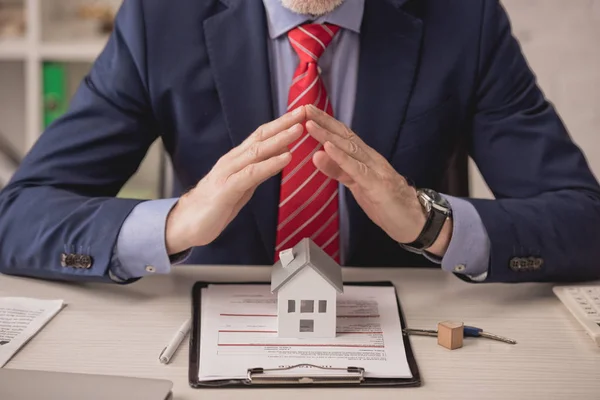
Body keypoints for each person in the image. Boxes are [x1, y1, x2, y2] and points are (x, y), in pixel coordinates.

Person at [0, 0, 599, 285]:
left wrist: (430, 222)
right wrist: (173, 224)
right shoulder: (160, 19)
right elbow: (19, 216)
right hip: (207, 335)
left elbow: (584, 222)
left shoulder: (465, 20)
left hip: (413, 340)